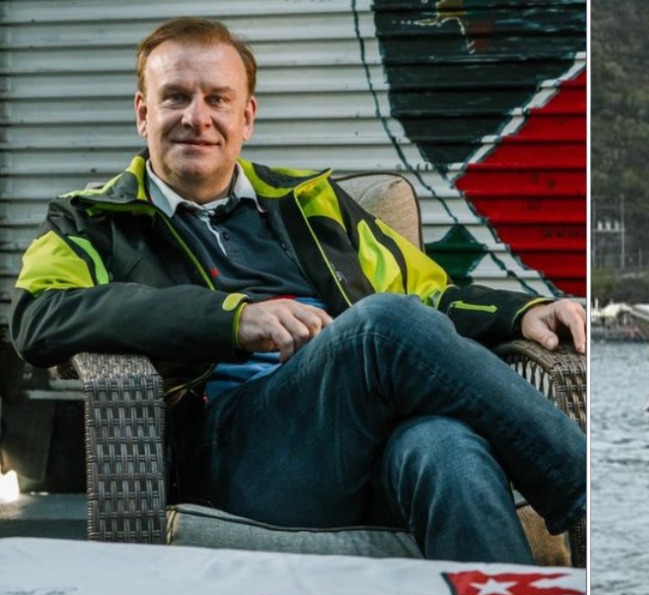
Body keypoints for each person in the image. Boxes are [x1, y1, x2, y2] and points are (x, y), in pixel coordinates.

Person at [9, 17, 586, 565]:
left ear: (247, 116)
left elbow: (428, 293)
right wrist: (233, 319)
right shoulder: (92, 218)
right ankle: (586, 493)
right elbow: (40, 314)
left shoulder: (310, 202)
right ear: (143, 113)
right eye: (176, 97)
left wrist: (522, 310)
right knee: (382, 324)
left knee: (447, 448)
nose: (197, 116)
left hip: (365, 443)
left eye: (217, 99)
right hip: (237, 453)